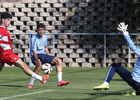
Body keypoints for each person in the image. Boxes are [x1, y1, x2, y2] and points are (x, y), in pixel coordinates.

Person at [0, 12, 49, 84]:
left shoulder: (4, 29)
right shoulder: (2, 29)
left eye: (10, 20)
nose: (9, 22)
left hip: (2, 54)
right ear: (2, 19)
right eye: (8, 20)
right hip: (7, 53)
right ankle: (41, 78)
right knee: (23, 65)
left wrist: (8, 37)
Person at [93, 22, 140, 96]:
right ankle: (137, 92)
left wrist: (125, 34)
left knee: (114, 66)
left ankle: (106, 83)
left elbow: (132, 47)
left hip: (134, 81)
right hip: (138, 85)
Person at [27, 23, 70, 88]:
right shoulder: (34, 38)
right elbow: (34, 51)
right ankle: (30, 83)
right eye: (40, 30)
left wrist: (49, 56)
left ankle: (60, 81)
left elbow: (45, 47)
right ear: (37, 30)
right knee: (38, 66)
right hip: (35, 55)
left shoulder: (45, 36)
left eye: (43, 30)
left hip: (43, 55)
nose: (41, 31)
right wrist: (37, 60)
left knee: (59, 61)